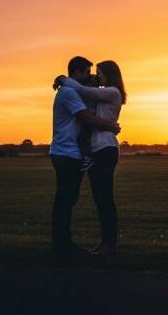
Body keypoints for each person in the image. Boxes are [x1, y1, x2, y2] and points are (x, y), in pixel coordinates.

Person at [50, 56, 121, 262]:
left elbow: (89, 101)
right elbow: (86, 118)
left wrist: (62, 78)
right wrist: (111, 126)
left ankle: (67, 244)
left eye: (97, 73)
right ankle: (62, 245)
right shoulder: (70, 92)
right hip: (67, 152)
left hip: (78, 152)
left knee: (77, 200)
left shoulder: (106, 92)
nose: (93, 76)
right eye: (89, 72)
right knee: (66, 200)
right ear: (78, 72)